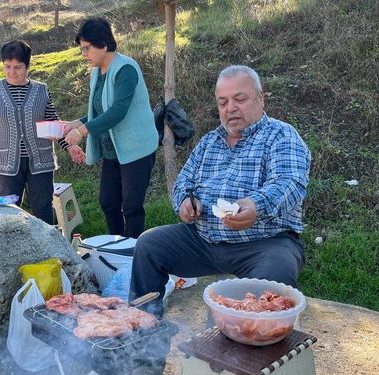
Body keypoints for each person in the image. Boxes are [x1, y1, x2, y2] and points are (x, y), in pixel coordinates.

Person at [129, 65, 311, 317]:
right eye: (223, 102)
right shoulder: (209, 142)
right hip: (203, 241)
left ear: (260, 98)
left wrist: (256, 206)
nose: (231, 108)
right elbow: (184, 183)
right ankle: (143, 327)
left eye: (240, 99)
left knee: (275, 276)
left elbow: (289, 183)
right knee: (149, 244)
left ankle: (255, 346)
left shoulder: (281, 135)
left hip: (264, 243)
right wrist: (184, 202)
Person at [60, 17, 159, 238]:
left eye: (87, 48)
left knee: (132, 206)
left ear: (104, 44)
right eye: (82, 49)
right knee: (108, 202)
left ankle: (134, 252)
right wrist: (77, 122)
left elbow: (118, 110)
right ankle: (118, 244)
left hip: (135, 147)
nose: (83, 54)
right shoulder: (97, 72)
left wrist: (82, 131)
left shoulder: (126, 69)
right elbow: (101, 108)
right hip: (113, 149)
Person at [0, 40, 86, 224]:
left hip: (40, 161)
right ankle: (15, 250)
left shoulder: (41, 90)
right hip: (6, 163)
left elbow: (54, 124)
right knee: (8, 211)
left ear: (27, 66)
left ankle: (47, 250)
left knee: (42, 207)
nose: (12, 72)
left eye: (17, 67)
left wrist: (69, 146)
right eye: (7, 67)